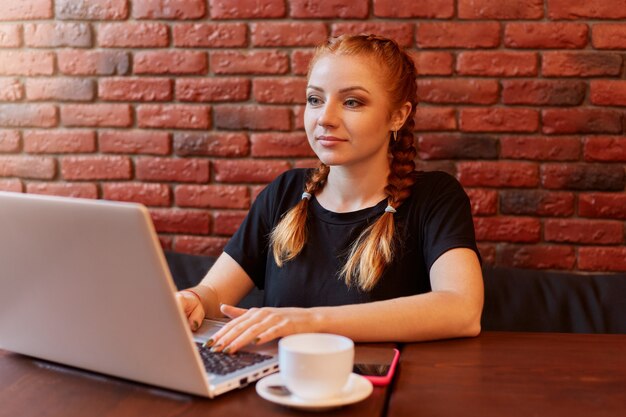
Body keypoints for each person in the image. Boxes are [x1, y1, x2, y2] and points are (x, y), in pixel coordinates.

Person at [176, 34, 484, 354]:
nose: (325, 117)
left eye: (352, 102)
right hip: (277, 389)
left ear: (398, 116)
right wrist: (193, 299)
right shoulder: (285, 193)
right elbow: (213, 292)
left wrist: (308, 322)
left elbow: (462, 310)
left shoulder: (435, 197)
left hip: (381, 396)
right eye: (315, 99)